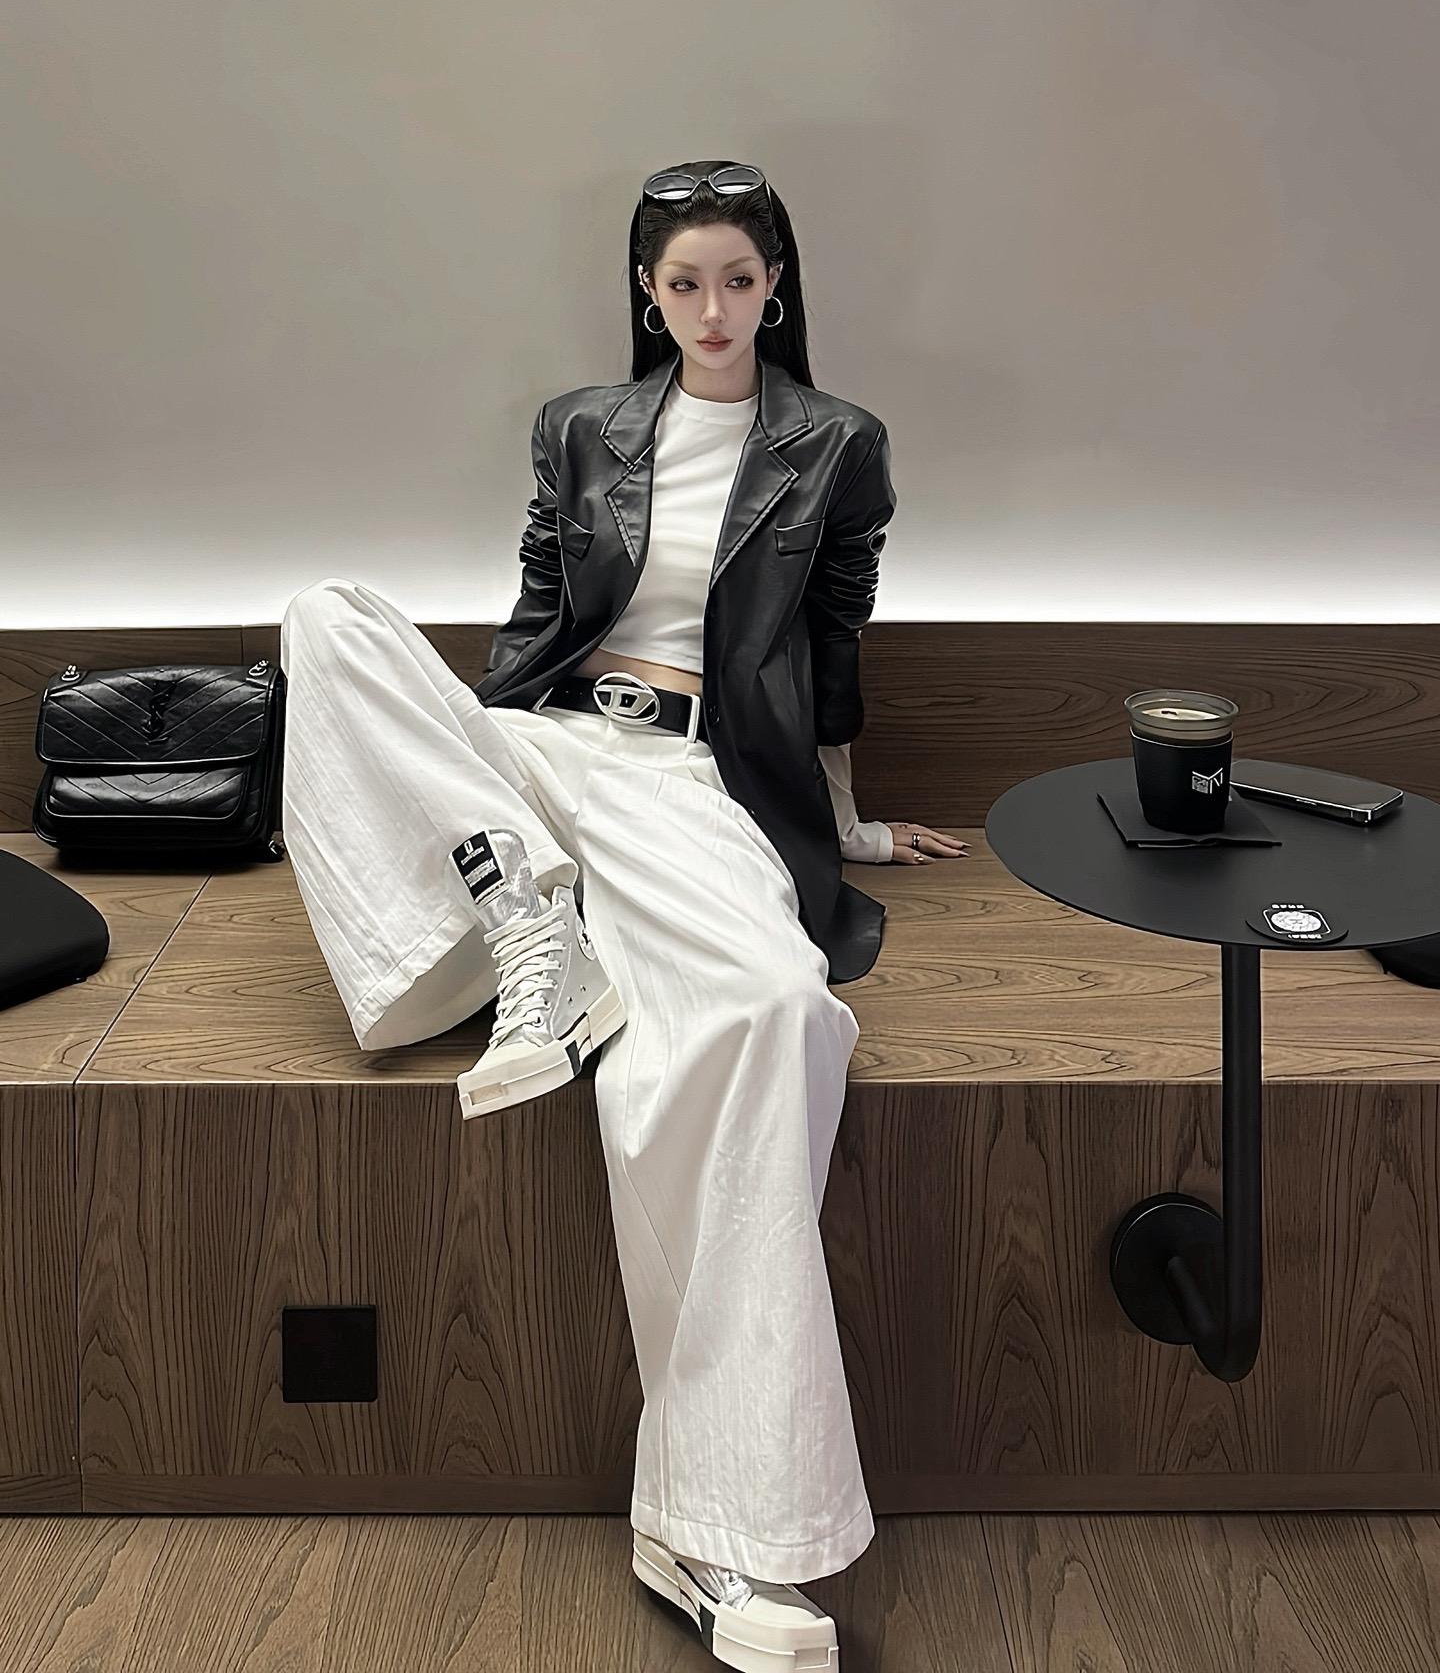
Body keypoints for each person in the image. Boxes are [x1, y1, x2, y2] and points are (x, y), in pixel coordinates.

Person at [278, 158, 966, 1672]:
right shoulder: (581, 426)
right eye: (684, 285)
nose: (714, 311)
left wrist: (846, 829)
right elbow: (531, 628)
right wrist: (460, 761)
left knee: (772, 1015)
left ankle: (723, 1534)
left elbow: (830, 656)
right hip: (544, 750)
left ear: (776, 284)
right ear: (648, 295)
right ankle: (524, 908)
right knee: (326, 617)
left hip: (687, 774)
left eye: (739, 281)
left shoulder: (836, 444)